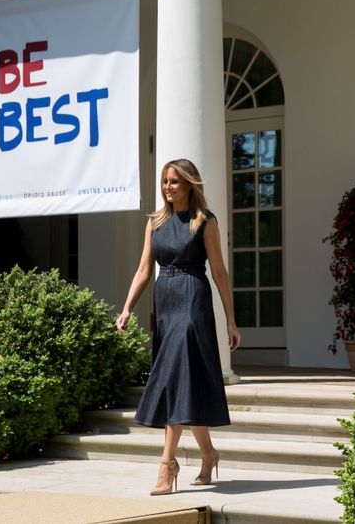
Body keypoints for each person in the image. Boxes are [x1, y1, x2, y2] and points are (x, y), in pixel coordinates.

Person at [115, 158, 241, 495]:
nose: (168, 187)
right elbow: (144, 270)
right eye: (165, 181)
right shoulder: (155, 223)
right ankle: (209, 453)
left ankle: (167, 465)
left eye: (174, 181)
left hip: (193, 301)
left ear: (189, 184)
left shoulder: (204, 221)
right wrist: (127, 308)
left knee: (174, 377)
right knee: (187, 380)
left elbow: (219, 272)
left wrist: (230, 318)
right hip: (166, 302)